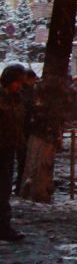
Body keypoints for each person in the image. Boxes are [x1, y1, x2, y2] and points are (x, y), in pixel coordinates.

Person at [0, 65, 26, 241]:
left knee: (4, 189)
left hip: (9, 148)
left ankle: (3, 226)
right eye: (18, 82)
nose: (21, 86)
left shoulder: (16, 98)